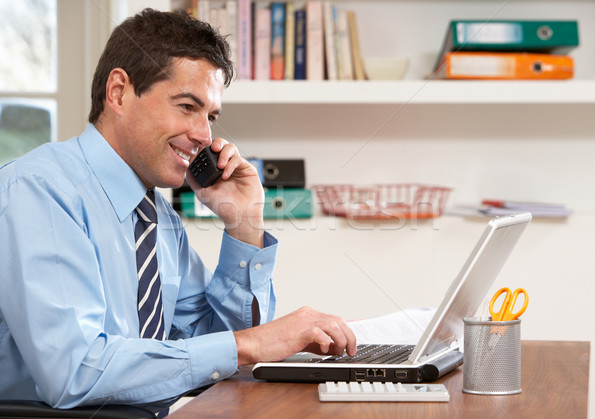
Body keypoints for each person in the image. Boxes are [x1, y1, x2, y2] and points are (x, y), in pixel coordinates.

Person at [0, 8, 356, 414]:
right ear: (118, 92)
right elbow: (76, 370)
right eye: (187, 106)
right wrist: (252, 343)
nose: (205, 135)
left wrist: (244, 225)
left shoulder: (157, 217)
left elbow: (213, 347)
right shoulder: (41, 191)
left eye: (211, 116)